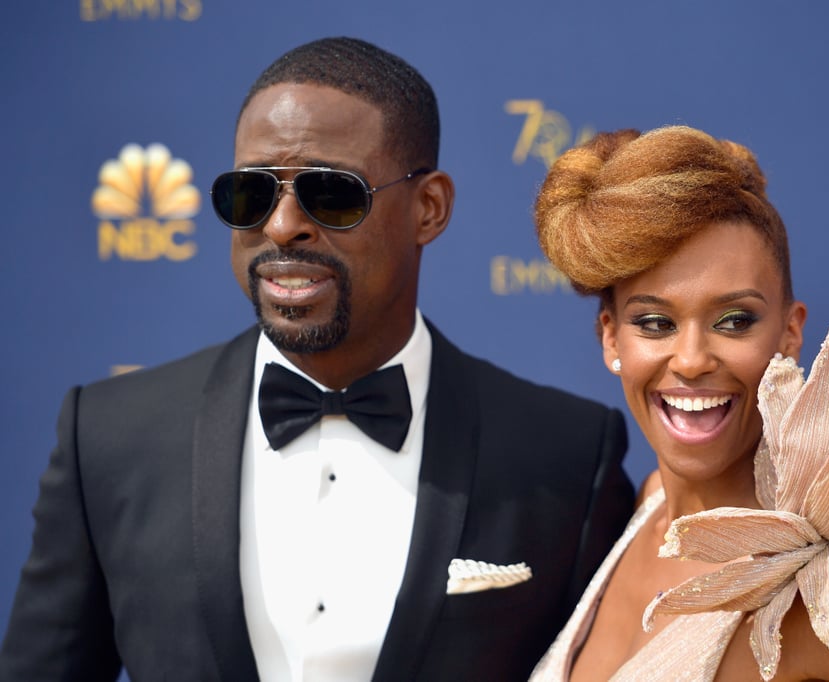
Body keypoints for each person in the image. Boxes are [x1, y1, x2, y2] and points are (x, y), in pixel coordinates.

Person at [0, 37, 635, 682]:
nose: (281, 226)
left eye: (331, 193)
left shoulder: (565, 456)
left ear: (429, 208)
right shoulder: (108, 436)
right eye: (250, 193)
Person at [528, 126, 829, 680]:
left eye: (734, 321)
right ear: (611, 339)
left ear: (791, 333)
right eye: (655, 323)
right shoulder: (648, 508)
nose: (692, 358)